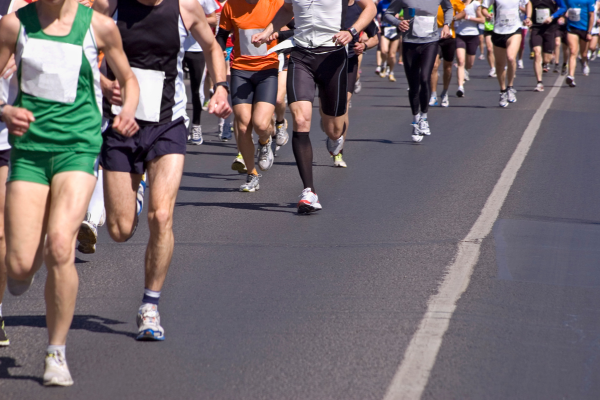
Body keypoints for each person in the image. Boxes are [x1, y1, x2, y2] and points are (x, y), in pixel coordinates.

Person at [0, 0, 140, 385]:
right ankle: (30, 252)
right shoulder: (15, 26)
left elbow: (128, 78)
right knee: (18, 270)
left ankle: (55, 352)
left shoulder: (98, 27)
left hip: (78, 147)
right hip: (29, 152)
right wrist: (4, 110)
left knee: (61, 245)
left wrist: (127, 110)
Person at [93, 0, 231, 341]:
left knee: (162, 215)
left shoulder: (185, 8)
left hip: (167, 124)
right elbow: (77, 50)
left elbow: (212, 47)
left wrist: (221, 87)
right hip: (120, 126)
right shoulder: (109, 5)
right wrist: (99, 80)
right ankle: (135, 187)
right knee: (120, 230)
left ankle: (150, 305)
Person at [251, 0, 376, 213]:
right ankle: (309, 191)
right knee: (300, 120)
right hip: (301, 55)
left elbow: (371, 8)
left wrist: (352, 31)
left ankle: (334, 136)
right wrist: (267, 32)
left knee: (334, 128)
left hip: (333, 57)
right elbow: (287, 9)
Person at [216, 0, 283, 192]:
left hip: (267, 70)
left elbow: (295, 27)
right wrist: (219, 49)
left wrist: (276, 34)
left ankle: (265, 141)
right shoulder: (232, 5)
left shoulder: (274, 3)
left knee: (261, 124)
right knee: (243, 122)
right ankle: (252, 174)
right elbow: (221, 34)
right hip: (240, 69)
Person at [384, 0, 452, 142]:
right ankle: (415, 120)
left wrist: (446, 24)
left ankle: (424, 118)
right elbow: (388, 14)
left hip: (430, 42)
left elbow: (449, 8)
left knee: (425, 78)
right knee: (413, 85)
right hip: (410, 44)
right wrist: (398, 23)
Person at [341, 0, 379, 167]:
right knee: (326, 110)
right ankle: (331, 127)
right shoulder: (330, 7)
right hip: (327, 62)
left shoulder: (361, 9)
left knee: (344, 103)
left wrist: (363, 45)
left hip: (349, 60)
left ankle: (339, 149)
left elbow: (375, 38)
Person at [184, 0, 219, 145]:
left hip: (197, 49)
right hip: (176, 46)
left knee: (196, 91)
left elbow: (214, 19)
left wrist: (195, 19)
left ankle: (196, 126)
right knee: (172, 87)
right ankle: (181, 125)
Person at [482, 0, 527, 107]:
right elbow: (483, 8)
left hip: (514, 30)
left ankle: (510, 87)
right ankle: (503, 90)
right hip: (498, 31)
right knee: (500, 64)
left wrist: (528, 17)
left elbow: (528, 3)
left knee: (511, 58)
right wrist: (487, 15)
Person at [430, 0, 465, 107]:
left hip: (449, 36)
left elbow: (463, 12)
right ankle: (433, 94)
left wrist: (453, 18)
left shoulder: (453, 1)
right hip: (434, 35)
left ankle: (445, 92)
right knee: (434, 65)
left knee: (448, 67)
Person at [525, 0, 566, 91]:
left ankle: (545, 62)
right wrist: (527, 19)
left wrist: (552, 17)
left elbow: (563, 7)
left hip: (550, 29)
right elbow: (528, 8)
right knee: (537, 53)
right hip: (536, 28)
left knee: (547, 58)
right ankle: (539, 83)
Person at [455, 0, 486, 97]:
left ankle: (466, 70)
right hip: (459, 35)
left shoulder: (475, 4)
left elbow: (482, 20)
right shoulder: (457, 3)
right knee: (460, 61)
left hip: (473, 35)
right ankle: (460, 87)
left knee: (470, 63)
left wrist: (469, 17)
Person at [563, 0, 595, 86]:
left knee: (583, 54)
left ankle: (584, 63)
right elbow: (562, 6)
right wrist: (564, 14)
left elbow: (592, 16)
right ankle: (571, 76)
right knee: (573, 51)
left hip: (584, 29)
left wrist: (589, 32)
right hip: (572, 28)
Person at [377, 0, 402, 81]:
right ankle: (383, 65)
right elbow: (377, 14)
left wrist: (400, 17)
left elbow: (404, 14)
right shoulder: (382, 3)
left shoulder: (399, 2)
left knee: (392, 55)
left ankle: (391, 72)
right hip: (385, 29)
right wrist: (377, 25)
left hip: (395, 29)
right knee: (384, 50)